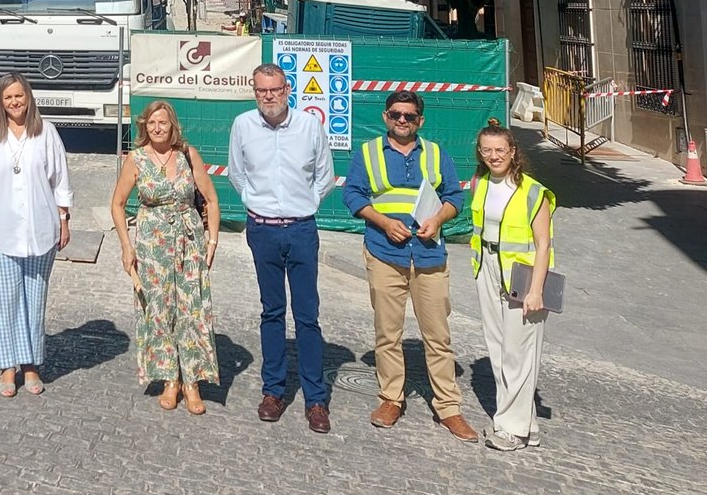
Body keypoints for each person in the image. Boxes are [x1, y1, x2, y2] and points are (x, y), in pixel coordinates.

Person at [343, 93, 478, 442]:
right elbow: (353, 195)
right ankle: (391, 399)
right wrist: (383, 222)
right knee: (388, 333)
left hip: (430, 254)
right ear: (386, 116)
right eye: (395, 114)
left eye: (409, 116)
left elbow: (455, 196)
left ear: (420, 121)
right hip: (385, 252)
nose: (401, 120)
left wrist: (438, 219)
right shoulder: (369, 152)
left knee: (438, 336)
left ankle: (448, 407)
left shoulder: (435, 153)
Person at [227, 62, 336, 433]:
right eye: (261, 91)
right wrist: (259, 205)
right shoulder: (243, 126)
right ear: (254, 92)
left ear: (287, 90)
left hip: (302, 230)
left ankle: (316, 399)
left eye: (274, 90)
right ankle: (273, 392)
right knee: (271, 312)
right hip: (263, 231)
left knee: (307, 316)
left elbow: (325, 176)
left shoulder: (309, 126)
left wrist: (301, 207)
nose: (268, 96)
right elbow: (236, 173)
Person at [110, 99, 220, 413]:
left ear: (173, 126)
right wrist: (126, 245)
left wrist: (212, 242)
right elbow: (117, 204)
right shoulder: (137, 159)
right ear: (145, 126)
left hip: (189, 244)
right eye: (152, 123)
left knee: (191, 311)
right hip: (152, 247)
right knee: (158, 311)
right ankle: (170, 378)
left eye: (164, 123)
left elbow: (211, 201)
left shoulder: (187, 155)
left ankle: (192, 382)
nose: (158, 128)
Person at [0, 73, 73, 397]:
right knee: (5, 301)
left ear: (29, 98)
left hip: (40, 231)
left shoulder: (47, 133)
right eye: (8, 98)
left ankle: (31, 365)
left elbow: (61, 181)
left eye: (19, 96)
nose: (15, 103)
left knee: (33, 299)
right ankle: (7, 366)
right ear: (0, 103)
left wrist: (64, 218)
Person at [471, 119, 556, 452]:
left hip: (523, 275)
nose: (494, 156)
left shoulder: (534, 192)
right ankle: (527, 424)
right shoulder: (480, 183)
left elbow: (544, 245)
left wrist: (536, 290)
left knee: (518, 352)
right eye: (487, 150)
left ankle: (511, 429)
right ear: (480, 153)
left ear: (513, 152)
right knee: (498, 348)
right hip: (488, 268)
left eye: (500, 150)